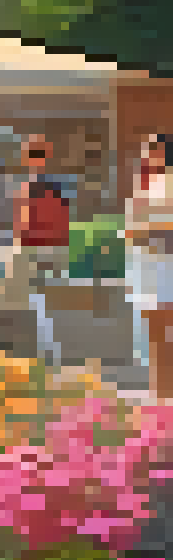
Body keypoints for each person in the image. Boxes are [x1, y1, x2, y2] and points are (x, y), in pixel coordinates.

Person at [4, 135, 70, 366]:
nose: (34, 159)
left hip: (39, 249)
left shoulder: (38, 186)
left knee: (39, 304)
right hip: (42, 249)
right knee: (34, 304)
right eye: (32, 153)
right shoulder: (50, 185)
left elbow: (27, 223)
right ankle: (36, 353)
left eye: (37, 153)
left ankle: (44, 355)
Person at [125, 135, 173, 388]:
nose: (145, 154)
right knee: (152, 333)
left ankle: (164, 389)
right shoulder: (145, 184)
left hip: (162, 263)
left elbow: (154, 226)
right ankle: (161, 390)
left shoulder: (165, 184)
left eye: (152, 149)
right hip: (145, 264)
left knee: (160, 330)